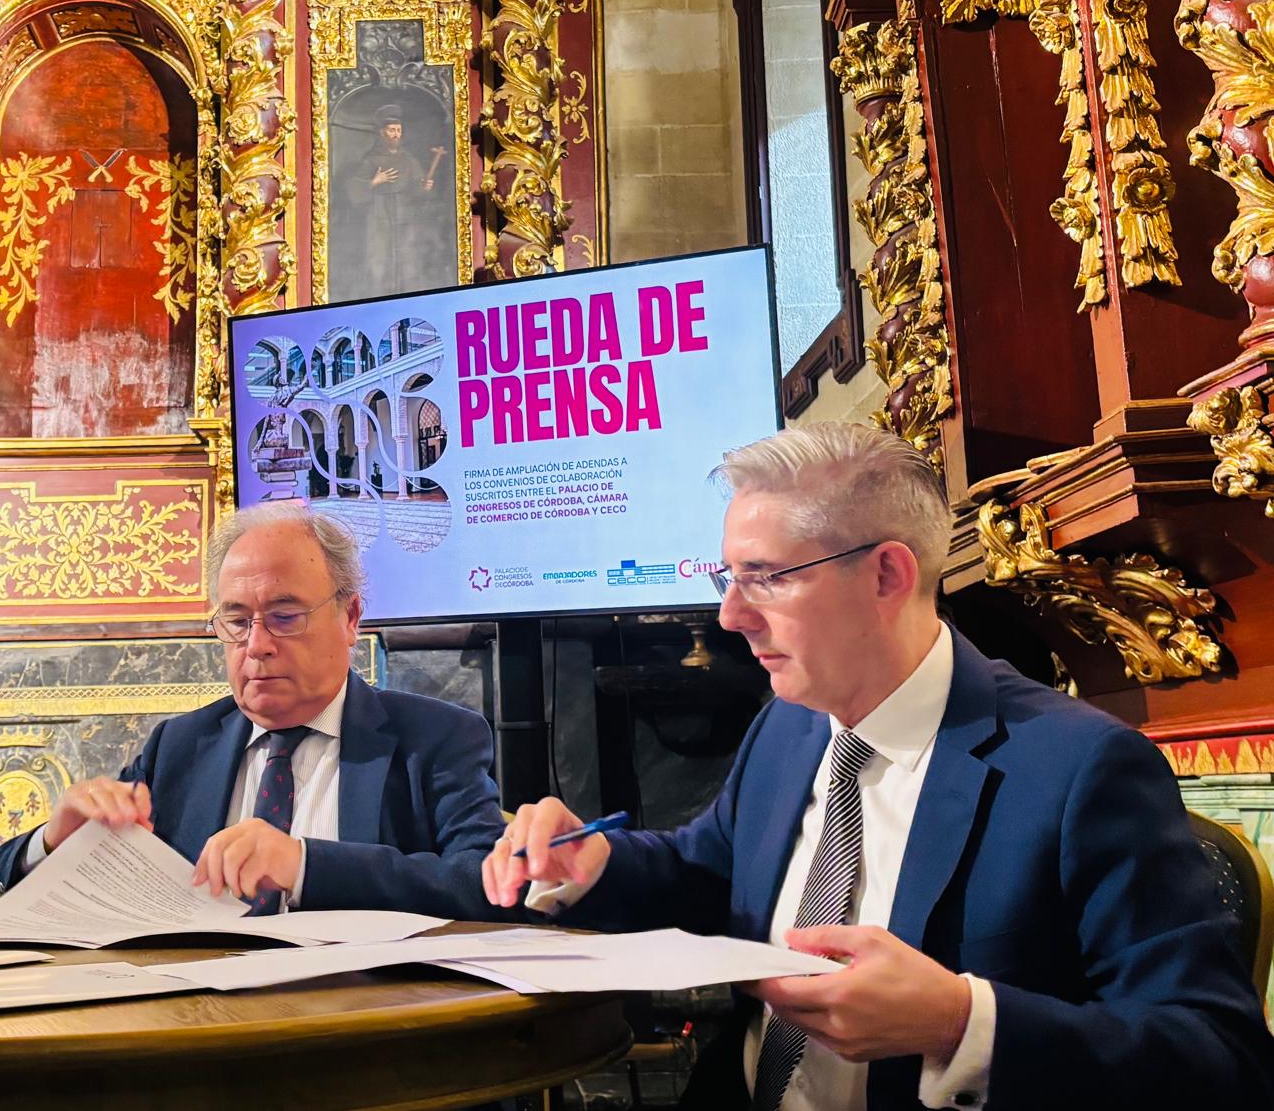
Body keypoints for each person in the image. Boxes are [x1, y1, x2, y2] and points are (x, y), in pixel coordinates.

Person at [484, 422, 1274, 1110]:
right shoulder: (788, 726)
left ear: (887, 574)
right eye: (727, 576)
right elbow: (707, 866)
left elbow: (1220, 1061)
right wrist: (590, 861)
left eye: (768, 576)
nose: (730, 615)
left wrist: (959, 1025)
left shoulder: (1083, 768)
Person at [0, 502, 508, 919]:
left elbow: (488, 885)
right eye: (236, 621)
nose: (256, 645)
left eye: (283, 616)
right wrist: (52, 844)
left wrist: (305, 866)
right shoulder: (179, 748)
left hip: (364, 1025)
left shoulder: (436, 739)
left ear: (350, 619)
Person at [344, 104, 445, 297]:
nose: (396, 134)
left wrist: (424, 187)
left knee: (406, 259)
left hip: (405, 216)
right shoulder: (370, 159)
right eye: (392, 130)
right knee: (378, 259)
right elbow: (352, 189)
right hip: (378, 215)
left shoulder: (409, 160)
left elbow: (418, 188)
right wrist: (374, 182)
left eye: (399, 130)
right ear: (382, 133)